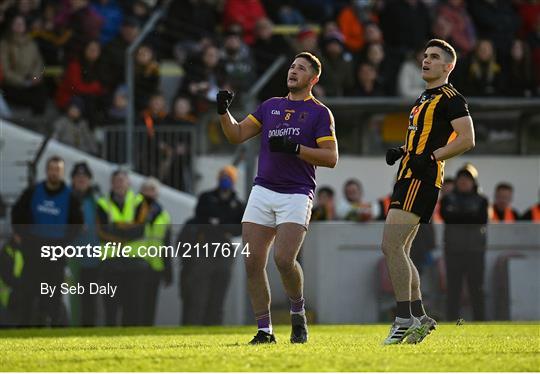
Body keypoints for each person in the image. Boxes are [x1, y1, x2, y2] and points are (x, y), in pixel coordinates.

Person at [217, 52, 338, 344]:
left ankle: (298, 313)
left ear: (313, 78)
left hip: (297, 193)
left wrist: (296, 148)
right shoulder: (270, 106)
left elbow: (331, 158)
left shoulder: (320, 113)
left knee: (284, 260)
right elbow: (236, 134)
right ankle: (265, 331)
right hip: (263, 190)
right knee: (252, 261)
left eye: (301, 68)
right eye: (292, 66)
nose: (293, 71)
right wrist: (223, 112)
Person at [381, 39, 475, 344]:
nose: (426, 60)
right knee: (400, 250)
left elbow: (467, 139)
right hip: (410, 174)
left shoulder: (451, 97)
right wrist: (404, 151)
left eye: (434, 57)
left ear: (448, 66)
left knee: (391, 247)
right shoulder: (425, 96)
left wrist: (431, 157)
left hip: (420, 179)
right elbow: (424, 138)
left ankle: (404, 319)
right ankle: (419, 317)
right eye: (425, 56)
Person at [11, 156, 83, 326]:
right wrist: (23, 236)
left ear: (62, 173)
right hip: (33, 250)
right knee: (28, 291)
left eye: (58, 170)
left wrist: (64, 243)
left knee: (53, 294)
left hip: (56, 253)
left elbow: (77, 223)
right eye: (52, 169)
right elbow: (17, 213)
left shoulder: (70, 197)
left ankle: (50, 327)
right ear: (46, 171)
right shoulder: (33, 192)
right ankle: (25, 328)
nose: (54, 172)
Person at [178, 166, 244, 325]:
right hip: (204, 249)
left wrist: (218, 223)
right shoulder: (206, 198)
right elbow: (201, 219)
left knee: (218, 296)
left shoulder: (238, 203)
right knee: (198, 296)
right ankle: (192, 330)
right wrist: (223, 225)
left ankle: (214, 329)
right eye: (222, 176)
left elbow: (239, 228)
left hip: (224, 252)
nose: (224, 179)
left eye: (228, 176)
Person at [97, 169, 146, 326]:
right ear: (111, 183)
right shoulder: (103, 203)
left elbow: (139, 230)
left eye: (122, 180)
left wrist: (116, 227)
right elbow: (102, 232)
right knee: (111, 309)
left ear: (129, 183)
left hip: (134, 263)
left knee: (133, 309)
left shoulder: (139, 202)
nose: (119, 183)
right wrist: (127, 231)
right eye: (116, 180)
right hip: (111, 264)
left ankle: (131, 345)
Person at [440, 164, 488, 321]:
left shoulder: (482, 200)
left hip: (475, 250)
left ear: (474, 182)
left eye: (467, 179)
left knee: (477, 288)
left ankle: (480, 320)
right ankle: (451, 319)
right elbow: (448, 217)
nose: (463, 182)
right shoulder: (448, 199)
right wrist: (468, 215)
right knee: (453, 288)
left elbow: (481, 219)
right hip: (453, 250)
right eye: (461, 179)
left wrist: (459, 215)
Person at [135, 178, 172, 326]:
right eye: (146, 189)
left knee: (150, 305)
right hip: (136, 264)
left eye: (152, 190)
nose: (149, 193)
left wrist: (168, 271)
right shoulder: (133, 210)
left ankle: (147, 333)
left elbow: (166, 245)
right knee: (135, 305)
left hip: (155, 266)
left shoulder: (163, 215)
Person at [69, 162, 100, 326]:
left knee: (90, 300)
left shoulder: (96, 199)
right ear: (73, 180)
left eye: (84, 177)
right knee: (71, 299)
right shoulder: (66, 198)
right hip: (70, 260)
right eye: (78, 177)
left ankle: (88, 332)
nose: (81, 180)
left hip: (92, 259)